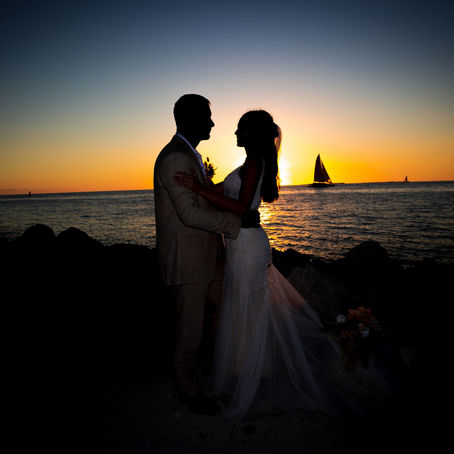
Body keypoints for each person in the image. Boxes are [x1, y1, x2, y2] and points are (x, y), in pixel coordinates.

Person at [173, 110, 368, 421]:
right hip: (241, 244)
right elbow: (223, 192)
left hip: (248, 245)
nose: (235, 132)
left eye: (241, 129)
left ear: (252, 134)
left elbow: (240, 208)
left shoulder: (254, 163)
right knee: (245, 308)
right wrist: (197, 187)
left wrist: (197, 191)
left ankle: (253, 376)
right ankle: (250, 371)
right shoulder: (248, 163)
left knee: (249, 309)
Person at [153, 94, 259, 415]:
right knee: (190, 328)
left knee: (225, 311)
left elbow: (203, 200)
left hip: (210, 257)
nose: (213, 123)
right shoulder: (174, 158)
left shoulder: (191, 155)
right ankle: (188, 389)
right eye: (208, 117)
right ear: (190, 119)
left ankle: (218, 366)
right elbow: (189, 214)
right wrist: (236, 223)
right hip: (188, 261)